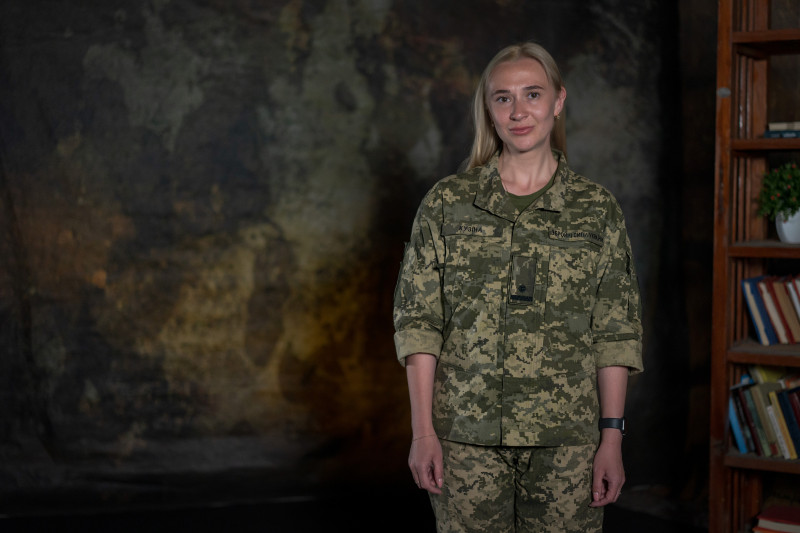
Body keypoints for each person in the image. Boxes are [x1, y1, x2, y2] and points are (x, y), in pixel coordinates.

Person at [392, 42, 643, 532]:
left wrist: (611, 439)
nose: (518, 111)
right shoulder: (447, 204)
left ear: (558, 101)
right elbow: (419, 325)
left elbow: (615, 332)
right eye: (503, 98)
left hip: (567, 444)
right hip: (466, 440)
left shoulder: (596, 209)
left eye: (533, 94)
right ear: (489, 109)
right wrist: (423, 433)